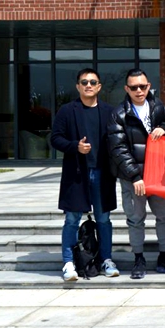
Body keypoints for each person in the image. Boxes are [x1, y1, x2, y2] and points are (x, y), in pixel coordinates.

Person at [108, 68, 165, 280]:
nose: (139, 91)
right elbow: (118, 149)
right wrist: (135, 176)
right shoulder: (118, 114)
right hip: (134, 179)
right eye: (134, 87)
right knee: (136, 219)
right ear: (126, 89)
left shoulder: (159, 107)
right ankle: (138, 258)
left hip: (159, 175)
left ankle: (164, 256)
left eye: (142, 86)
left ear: (149, 86)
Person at [51, 68, 118, 282]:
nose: (89, 85)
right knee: (72, 219)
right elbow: (55, 138)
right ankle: (69, 262)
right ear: (78, 86)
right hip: (77, 173)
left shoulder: (109, 112)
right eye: (84, 82)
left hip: (102, 174)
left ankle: (106, 259)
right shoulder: (67, 110)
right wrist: (75, 146)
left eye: (93, 82)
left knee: (104, 219)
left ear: (99, 86)